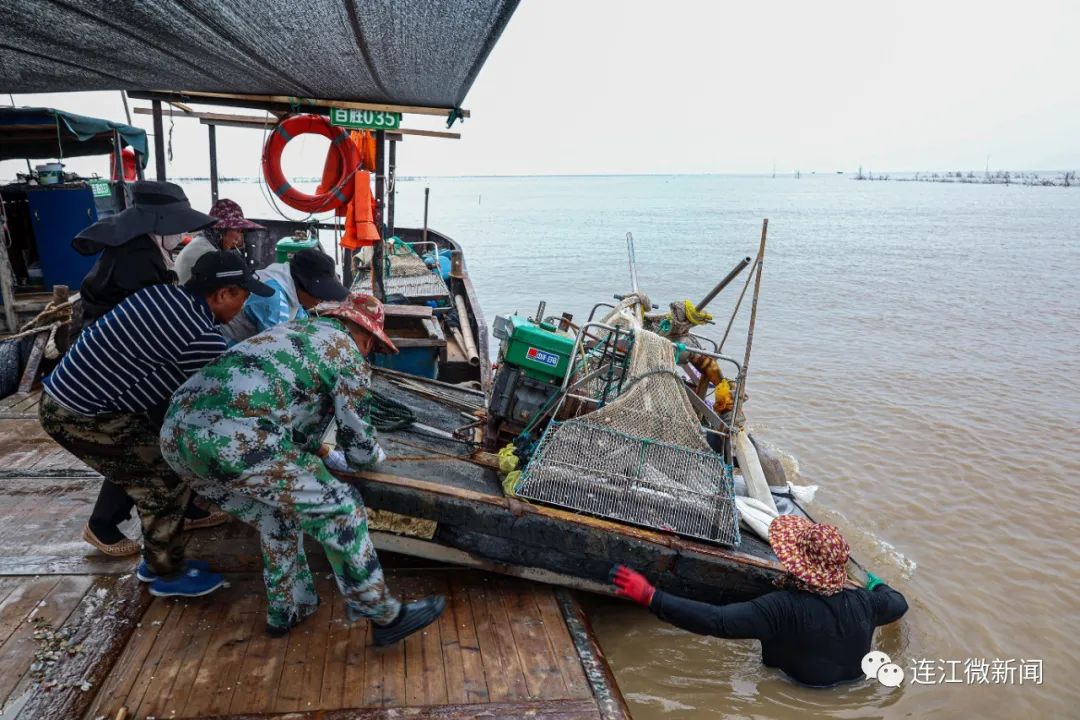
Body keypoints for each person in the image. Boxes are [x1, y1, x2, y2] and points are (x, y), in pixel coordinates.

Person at [161, 292, 445, 643]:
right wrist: (371, 457)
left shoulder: (291, 331)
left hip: (176, 437)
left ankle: (288, 609)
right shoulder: (346, 353)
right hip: (233, 439)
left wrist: (319, 450)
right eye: (371, 346)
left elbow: (277, 409)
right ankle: (384, 616)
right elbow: (359, 446)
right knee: (341, 506)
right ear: (365, 334)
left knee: (277, 515)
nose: (368, 353)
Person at [40, 252, 274, 597]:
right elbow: (227, 395)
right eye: (242, 296)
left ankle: (159, 558)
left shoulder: (163, 294)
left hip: (71, 394)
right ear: (222, 294)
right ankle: (167, 572)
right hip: (80, 413)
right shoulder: (198, 335)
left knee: (157, 470)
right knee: (162, 482)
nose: (244, 306)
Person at [72, 181, 229, 555]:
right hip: (117, 364)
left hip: (129, 353)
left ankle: (185, 507)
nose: (182, 232)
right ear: (159, 221)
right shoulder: (136, 257)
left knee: (166, 428)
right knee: (144, 440)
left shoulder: (144, 248)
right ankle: (103, 524)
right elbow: (151, 318)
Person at [610, 515, 908, 687]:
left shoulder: (780, 608)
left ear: (796, 562)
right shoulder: (867, 603)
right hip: (855, 690)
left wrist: (652, 597)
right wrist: (873, 582)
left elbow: (717, 621)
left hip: (794, 689)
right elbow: (898, 602)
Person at [220, 247, 349, 342]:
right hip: (229, 349)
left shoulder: (288, 282)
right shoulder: (273, 298)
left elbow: (302, 323)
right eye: (319, 294)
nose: (321, 301)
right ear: (302, 285)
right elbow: (279, 345)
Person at [174, 198, 263, 284]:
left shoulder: (200, 242)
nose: (239, 237)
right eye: (238, 231)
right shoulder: (210, 255)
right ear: (221, 231)